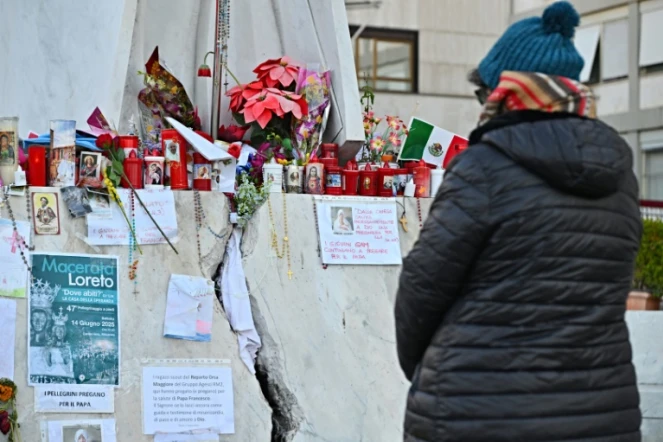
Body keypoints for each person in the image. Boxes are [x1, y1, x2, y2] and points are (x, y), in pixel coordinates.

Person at [395, 3, 642, 441]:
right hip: (602, 411)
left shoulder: (484, 167)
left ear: (507, 91)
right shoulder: (621, 178)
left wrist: (431, 366)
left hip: (476, 409)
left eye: (483, 92)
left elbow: (422, 288)